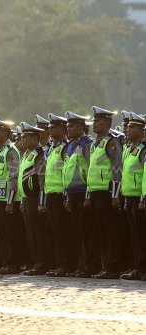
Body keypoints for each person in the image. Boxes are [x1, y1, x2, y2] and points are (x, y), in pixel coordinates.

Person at [87, 106, 124, 279]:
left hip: (106, 192)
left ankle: (113, 266)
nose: (94, 124)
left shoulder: (111, 141)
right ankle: (105, 264)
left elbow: (117, 168)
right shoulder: (96, 144)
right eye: (94, 121)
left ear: (108, 123)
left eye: (98, 121)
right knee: (100, 229)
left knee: (109, 230)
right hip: (95, 191)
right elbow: (91, 170)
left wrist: (115, 194)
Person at [62, 111, 98, 278]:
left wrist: (88, 196)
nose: (67, 129)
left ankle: (90, 265)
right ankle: (81, 265)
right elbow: (66, 171)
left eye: (70, 126)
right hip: (72, 193)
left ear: (81, 127)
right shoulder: (70, 145)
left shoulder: (87, 144)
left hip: (83, 191)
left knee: (87, 232)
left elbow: (91, 170)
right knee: (77, 231)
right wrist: (66, 196)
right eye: (67, 126)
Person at [44, 113, 76, 277]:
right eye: (49, 127)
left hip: (60, 195)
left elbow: (67, 173)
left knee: (63, 231)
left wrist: (66, 196)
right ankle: (60, 263)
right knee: (55, 231)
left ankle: (67, 263)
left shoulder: (65, 147)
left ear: (62, 129)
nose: (50, 130)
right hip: (50, 194)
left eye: (53, 127)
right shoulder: (53, 147)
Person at [0, 118, 22, 275]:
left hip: (8, 200)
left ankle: (12, 263)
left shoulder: (10, 150)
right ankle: (4, 262)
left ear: (6, 133)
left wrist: (10, 201)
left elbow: (13, 176)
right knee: (0, 233)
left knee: (9, 233)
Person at [18, 123, 52, 275]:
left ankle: (42, 263)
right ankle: (36, 261)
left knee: (39, 233)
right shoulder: (27, 154)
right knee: (30, 233)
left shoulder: (39, 153)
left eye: (25, 137)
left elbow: (42, 179)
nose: (22, 139)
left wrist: (42, 202)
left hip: (36, 198)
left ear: (34, 138)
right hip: (27, 198)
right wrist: (22, 199)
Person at [121, 112, 146, 280]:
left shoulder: (143, 150)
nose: (128, 130)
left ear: (141, 131)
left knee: (141, 235)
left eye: (132, 128)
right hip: (129, 197)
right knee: (134, 236)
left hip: (139, 197)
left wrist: (143, 198)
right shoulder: (131, 150)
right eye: (128, 127)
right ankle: (137, 268)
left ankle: (143, 269)